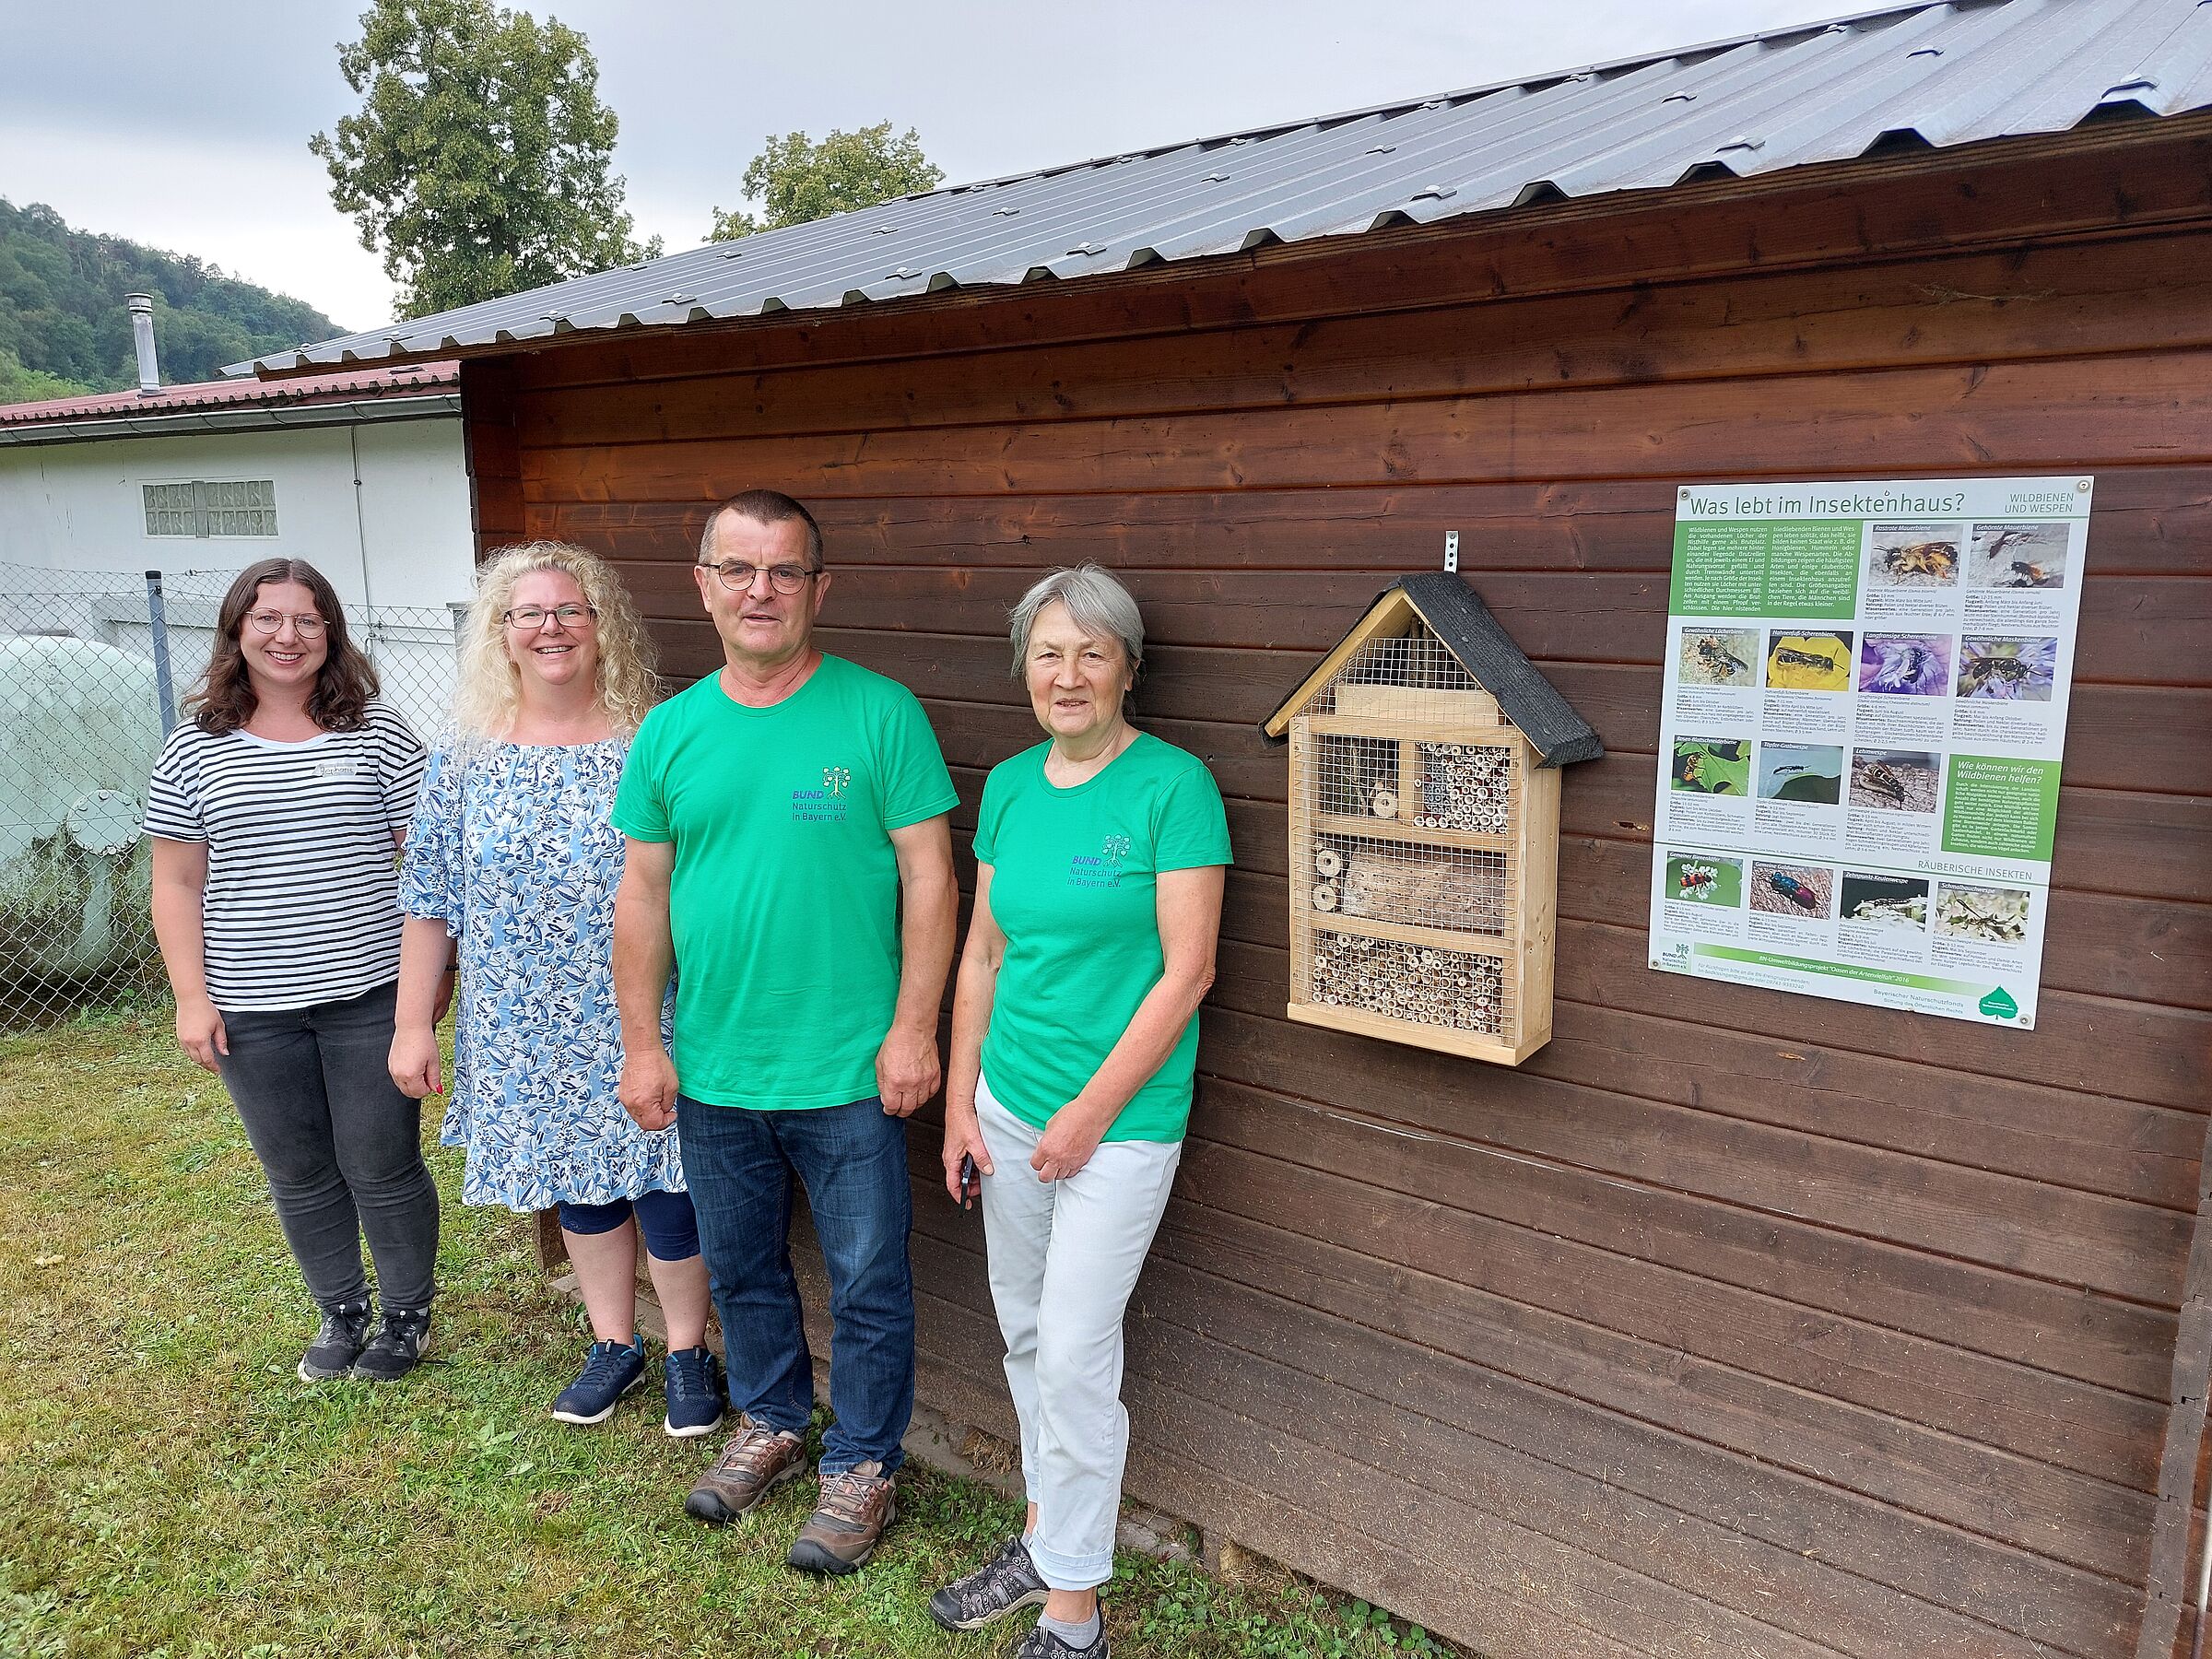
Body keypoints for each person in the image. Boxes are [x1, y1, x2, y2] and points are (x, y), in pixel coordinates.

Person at [612, 489, 959, 1575]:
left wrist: (914, 1029)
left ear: (821, 589)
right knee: (748, 1266)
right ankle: (771, 1422)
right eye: (739, 570)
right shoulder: (671, 732)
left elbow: (930, 877)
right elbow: (643, 894)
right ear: (704, 586)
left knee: (866, 1278)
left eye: (784, 571)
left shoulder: (878, 713)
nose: (761, 591)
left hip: (851, 1066)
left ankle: (862, 1465)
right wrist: (641, 1043)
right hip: (717, 1064)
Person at [929, 565, 1229, 1659]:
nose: (1068, 675)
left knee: (1072, 1355)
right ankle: (1046, 1533)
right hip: (1009, 1108)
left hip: (1122, 1123)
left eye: (1091, 653)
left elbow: (1188, 972)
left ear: (1128, 670)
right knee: (1023, 1334)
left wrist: (1091, 1115)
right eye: (1048, 653)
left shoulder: (1173, 788)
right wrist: (963, 1107)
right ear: (1024, 669)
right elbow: (986, 954)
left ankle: (1073, 1613)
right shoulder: (1009, 786)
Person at [387, 542, 723, 1437]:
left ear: (602, 625)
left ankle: (689, 1351)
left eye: (570, 610)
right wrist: (413, 1024)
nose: (550, 628)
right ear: (500, 634)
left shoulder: (654, 744)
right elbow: (429, 902)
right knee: (579, 1182)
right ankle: (615, 1344)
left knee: (666, 1186)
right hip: (522, 1019)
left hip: (644, 1009)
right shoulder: (461, 762)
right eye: (527, 613)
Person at [146, 557, 440, 1384]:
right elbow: (176, 881)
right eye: (268, 619)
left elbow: (424, 862)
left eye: (307, 620)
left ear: (331, 634)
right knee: (299, 1170)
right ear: (237, 631)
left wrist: (427, 985)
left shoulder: (375, 733)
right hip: (252, 1007)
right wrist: (192, 1000)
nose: (288, 636)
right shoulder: (193, 746)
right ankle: (341, 1313)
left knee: (381, 1163)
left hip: (369, 995)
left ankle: (406, 1317)